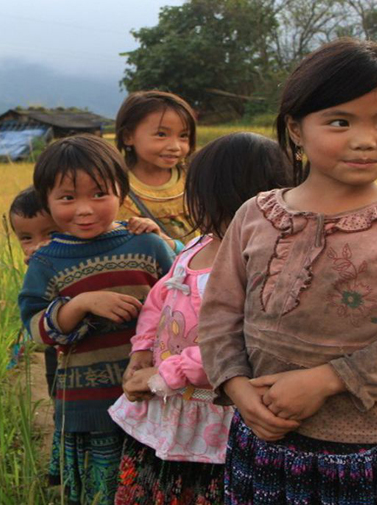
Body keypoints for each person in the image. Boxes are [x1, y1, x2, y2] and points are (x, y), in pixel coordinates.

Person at [199, 38, 377, 504]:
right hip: (264, 443)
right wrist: (237, 388)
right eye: (340, 122)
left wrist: (326, 380)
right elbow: (219, 313)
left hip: (376, 452)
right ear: (296, 130)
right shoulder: (254, 216)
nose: (366, 139)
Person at [108, 132, 293, 505]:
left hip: (215, 418)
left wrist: (163, 376)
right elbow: (161, 297)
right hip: (168, 407)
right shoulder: (198, 245)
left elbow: (235, 346)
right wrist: (142, 350)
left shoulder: (261, 265)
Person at [18, 134, 175, 505]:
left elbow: (183, 297)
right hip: (90, 405)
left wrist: (167, 239)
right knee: (101, 489)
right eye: (68, 198)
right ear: (47, 201)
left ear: (122, 193)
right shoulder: (45, 263)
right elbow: (34, 330)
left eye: (99, 194)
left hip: (153, 397)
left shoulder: (149, 246)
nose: (85, 210)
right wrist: (81, 303)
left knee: (158, 485)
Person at [114, 90, 200, 244]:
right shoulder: (116, 187)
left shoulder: (195, 179)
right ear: (128, 136)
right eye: (161, 134)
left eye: (183, 136)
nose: (175, 146)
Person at [8, 187, 60, 397]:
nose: (39, 245)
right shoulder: (37, 269)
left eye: (51, 234)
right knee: (59, 398)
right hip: (56, 351)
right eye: (26, 238)